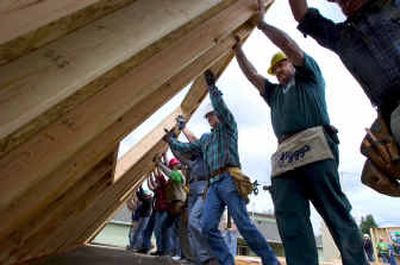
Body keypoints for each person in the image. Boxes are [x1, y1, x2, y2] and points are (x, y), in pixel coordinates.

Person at [233, 2, 367, 264]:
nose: (280, 71)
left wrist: (261, 25)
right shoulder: (274, 94)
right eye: (276, 69)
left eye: (283, 65)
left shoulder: (309, 76)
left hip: (315, 145)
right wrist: (237, 49)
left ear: (292, 64)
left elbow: (289, 46)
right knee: (290, 218)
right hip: (285, 155)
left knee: (335, 211)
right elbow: (252, 76)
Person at [164, 70, 279, 265]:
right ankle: (226, 262)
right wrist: (171, 141)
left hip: (229, 179)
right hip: (213, 185)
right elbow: (187, 147)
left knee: (243, 224)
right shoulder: (206, 140)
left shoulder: (229, 128)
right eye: (207, 117)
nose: (210, 118)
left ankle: (271, 262)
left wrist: (212, 88)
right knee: (207, 226)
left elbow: (223, 109)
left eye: (212, 115)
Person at [288, 0, 400, 145]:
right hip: (394, 111)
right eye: (339, 2)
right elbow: (303, 16)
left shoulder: (393, 5)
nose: (344, 3)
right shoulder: (340, 37)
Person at [170, 117, 217, 265]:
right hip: (193, 191)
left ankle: (206, 257)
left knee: (196, 222)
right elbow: (179, 155)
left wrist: (183, 128)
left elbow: (194, 140)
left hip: (204, 188)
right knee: (191, 225)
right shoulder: (193, 161)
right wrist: (171, 141)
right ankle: (195, 259)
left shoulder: (205, 155)